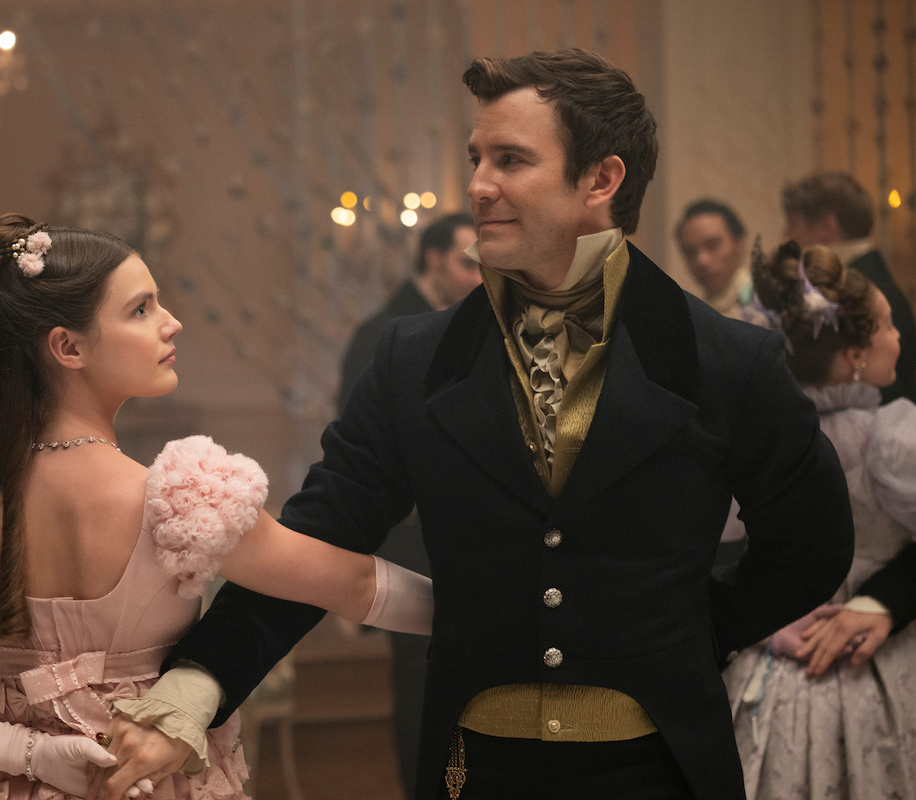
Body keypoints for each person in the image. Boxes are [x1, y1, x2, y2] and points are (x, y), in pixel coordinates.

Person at [103, 49, 857, 800]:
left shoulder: (727, 360)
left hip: (661, 770)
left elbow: (812, 542)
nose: (477, 186)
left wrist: (696, 632)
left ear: (602, 179)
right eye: (476, 158)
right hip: (475, 769)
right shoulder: (415, 359)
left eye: (510, 159)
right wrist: (200, 681)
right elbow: (320, 533)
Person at [0, 214, 434, 800]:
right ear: (67, 347)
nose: (171, 323)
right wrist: (489, 620)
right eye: (141, 309)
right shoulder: (183, 501)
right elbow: (357, 586)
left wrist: (35, 754)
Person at [723, 241, 915, 799]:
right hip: (874, 667)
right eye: (886, 325)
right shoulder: (891, 440)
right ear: (856, 352)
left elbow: (719, 546)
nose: (898, 335)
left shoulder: (760, 441)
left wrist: (760, 622)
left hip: (776, 659)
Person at [337, 210, 477, 799]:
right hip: (410, 540)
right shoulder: (387, 334)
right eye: (469, 262)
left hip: (454, 541)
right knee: (422, 691)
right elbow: (362, 459)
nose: (480, 276)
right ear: (434, 259)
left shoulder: (460, 322)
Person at [782, 171, 916, 403]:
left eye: (794, 223)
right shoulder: (870, 278)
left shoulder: (854, 292)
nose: (787, 235)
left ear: (828, 226)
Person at [674, 198, 753, 319]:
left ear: (739, 245)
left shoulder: (764, 304)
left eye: (713, 245)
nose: (702, 261)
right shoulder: (694, 314)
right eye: (690, 252)